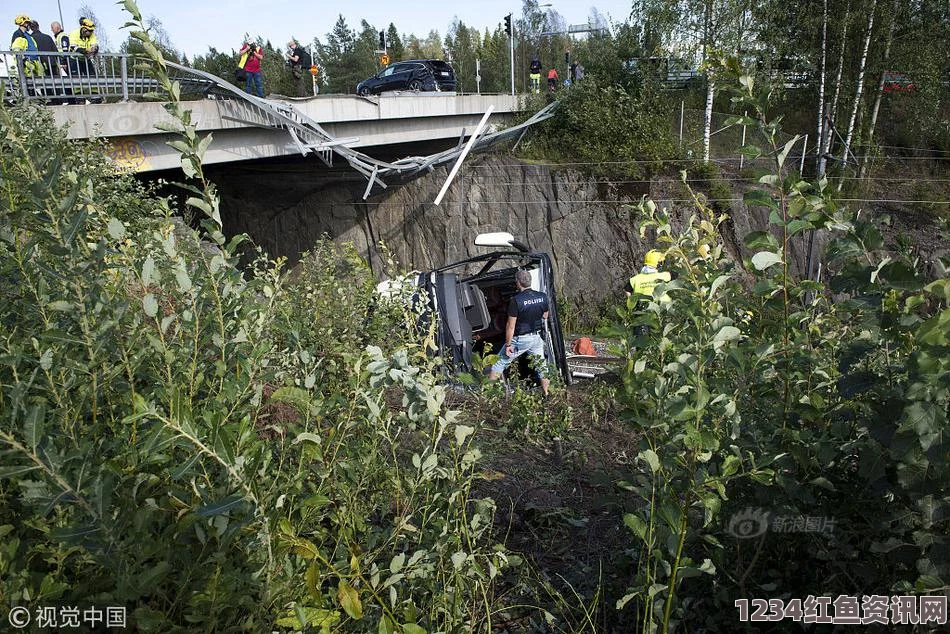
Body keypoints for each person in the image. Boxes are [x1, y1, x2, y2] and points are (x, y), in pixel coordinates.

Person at [488, 269, 552, 396]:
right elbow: (545, 316)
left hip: (520, 339)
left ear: (518, 283)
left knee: (498, 364)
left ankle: (487, 395)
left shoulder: (516, 300)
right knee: (542, 367)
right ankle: (547, 394)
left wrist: (507, 345)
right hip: (536, 337)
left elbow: (510, 326)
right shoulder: (542, 296)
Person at [11, 15, 44, 80]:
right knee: (30, 84)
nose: (29, 25)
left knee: (42, 82)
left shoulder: (28, 35)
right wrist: (23, 61)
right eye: (28, 23)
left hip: (36, 62)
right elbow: (16, 49)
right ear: (24, 23)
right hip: (27, 63)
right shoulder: (17, 34)